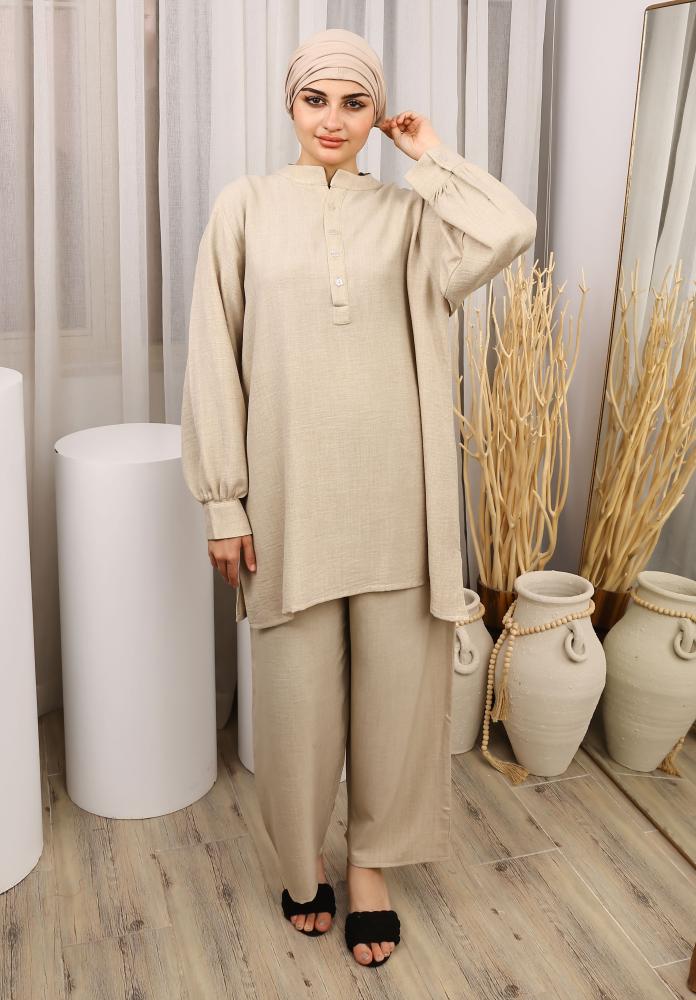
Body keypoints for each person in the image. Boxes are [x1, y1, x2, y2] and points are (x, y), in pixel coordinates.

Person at [181, 27, 536, 969]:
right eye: (316, 100)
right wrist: (223, 502)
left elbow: (508, 228)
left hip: (397, 500)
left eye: (355, 103)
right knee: (295, 700)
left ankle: (371, 863)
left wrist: (430, 155)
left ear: (378, 114)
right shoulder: (246, 207)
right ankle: (303, 860)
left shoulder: (412, 216)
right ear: (290, 105)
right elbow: (212, 354)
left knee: (397, 699)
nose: (333, 120)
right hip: (289, 498)